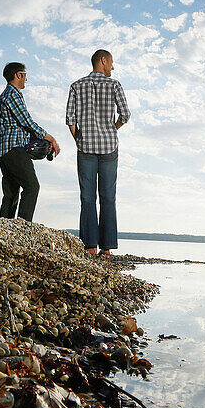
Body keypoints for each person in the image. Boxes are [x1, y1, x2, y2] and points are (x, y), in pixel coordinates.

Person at [65, 49, 130, 255]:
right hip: (109, 147)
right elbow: (125, 114)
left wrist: (79, 139)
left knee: (87, 197)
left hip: (85, 147)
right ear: (103, 60)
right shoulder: (114, 85)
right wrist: (112, 129)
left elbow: (70, 119)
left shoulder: (76, 86)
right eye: (111, 62)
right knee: (108, 196)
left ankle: (90, 246)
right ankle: (107, 248)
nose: (113, 66)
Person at [0, 62, 59, 221]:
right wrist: (49, 137)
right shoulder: (12, 95)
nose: (26, 79)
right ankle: (24, 228)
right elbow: (26, 121)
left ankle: (5, 228)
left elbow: (20, 125)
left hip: (5, 150)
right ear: (18, 75)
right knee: (32, 186)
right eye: (25, 74)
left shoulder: (6, 95)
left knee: (11, 194)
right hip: (14, 148)